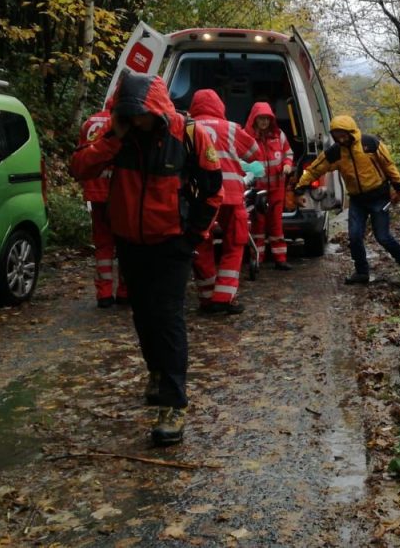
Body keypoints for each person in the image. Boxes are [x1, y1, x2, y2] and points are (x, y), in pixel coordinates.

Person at [70, 73, 222, 446]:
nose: (136, 120)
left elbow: (212, 191)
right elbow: (80, 169)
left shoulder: (188, 135)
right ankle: (156, 372)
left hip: (171, 244)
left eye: (140, 114)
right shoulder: (118, 136)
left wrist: (192, 237)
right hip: (130, 243)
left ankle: (173, 404)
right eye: (129, 114)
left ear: (155, 109)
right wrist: (114, 137)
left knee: (168, 319)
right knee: (143, 314)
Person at [295, 115, 400, 286]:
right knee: (354, 236)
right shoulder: (335, 152)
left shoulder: (370, 144)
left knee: (383, 236)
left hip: (379, 196)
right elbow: (314, 169)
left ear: (351, 132)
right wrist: (299, 189)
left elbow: (388, 165)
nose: (341, 138)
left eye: (343, 134)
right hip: (357, 200)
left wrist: (398, 188)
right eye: (337, 135)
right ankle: (361, 272)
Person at [188, 90, 260, 314]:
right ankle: (224, 297)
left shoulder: (186, 127)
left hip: (199, 197)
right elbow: (254, 153)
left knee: (201, 244)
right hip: (231, 195)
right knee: (235, 243)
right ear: (219, 106)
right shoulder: (230, 128)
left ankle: (207, 297)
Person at [76, 97, 128, 308]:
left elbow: (81, 157)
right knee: (125, 243)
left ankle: (104, 293)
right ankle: (124, 291)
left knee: (103, 244)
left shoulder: (89, 122)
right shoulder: (123, 123)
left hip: (96, 191)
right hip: (119, 193)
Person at [245, 102, 293, 270]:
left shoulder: (279, 135)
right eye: (261, 119)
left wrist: (287, 164)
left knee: (276, 224)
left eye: (267, 118)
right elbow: (241, 159)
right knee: (258, 225)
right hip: (257, 190)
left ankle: (280, 259)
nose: (264, 122)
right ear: (254, 119)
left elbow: (288, 153)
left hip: (277, 188)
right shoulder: (247, 137)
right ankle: (257, 259)